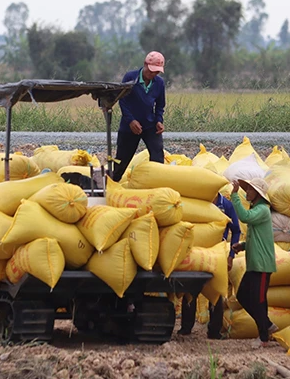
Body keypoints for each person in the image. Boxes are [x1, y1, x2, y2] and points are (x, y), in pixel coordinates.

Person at [179, 192, 241, 339]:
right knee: (190, 290)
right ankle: (186, 328)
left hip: (217, 255)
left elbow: (236, 230)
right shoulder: (198, 204)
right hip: (195, 254)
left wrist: (231, 256)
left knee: (216, 292)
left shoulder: (226, 205)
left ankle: (214, 331)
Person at [229, 177, 277, 347]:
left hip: (262, 265)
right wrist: (243, 246)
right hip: (255, 264)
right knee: (242, 295)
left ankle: (264, 336)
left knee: (259, 300)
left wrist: (234, 196)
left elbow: (244, 217)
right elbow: (257, 238)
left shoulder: (263, 210)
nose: (246, 192)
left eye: (249, 189)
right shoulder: (257, 208)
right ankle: (267, 325)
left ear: (257, 193)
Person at [111, 51, 166, 182]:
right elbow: (122, 101)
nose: (153, 74)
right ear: (145, 65)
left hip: (150, 125)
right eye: (151, 71)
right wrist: (131, 121)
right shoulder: (131, 77)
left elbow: (160, 106)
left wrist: (159, 120)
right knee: (122, 160)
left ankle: (156, 184)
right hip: (129, 126)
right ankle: (112, 183)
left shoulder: (159, 83)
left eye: (157, 72)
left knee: (157, 156)